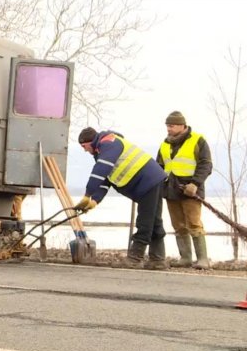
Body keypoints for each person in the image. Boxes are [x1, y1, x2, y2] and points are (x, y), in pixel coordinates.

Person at [74, 127, 168, 269]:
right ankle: (158, 260)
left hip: (148, 181)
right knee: (154, 220)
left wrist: (87, 194)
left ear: (90, 142)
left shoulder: (109, 144)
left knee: (145, 221)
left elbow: (100, 171)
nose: (84, 150)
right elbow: (106, 180)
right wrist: (94, 201)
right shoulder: (104, 150)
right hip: (151, 180)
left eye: (84, 146)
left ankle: (135, 258)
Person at [156, 111, 212, 270]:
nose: (168, 128)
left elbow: (206, 165)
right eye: (167, 125)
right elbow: (159, 166)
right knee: (178, 225)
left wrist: (195, 184)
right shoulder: (165, 144)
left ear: (182, 125)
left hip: (191, 190)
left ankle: (203, 259)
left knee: (194, 224)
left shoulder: (198, 140)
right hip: (170, 189)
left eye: (171, 125)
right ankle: (185, 258)